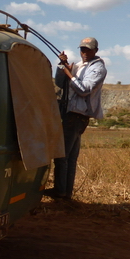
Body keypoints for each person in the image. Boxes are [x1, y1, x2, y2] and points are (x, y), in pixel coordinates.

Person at [45, 37, 107, 200]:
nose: (84, 53)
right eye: (82, 49)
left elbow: (84, 90)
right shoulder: (80, 66)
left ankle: (60, 192)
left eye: (88, 49)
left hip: (76, 115)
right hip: (73, 114)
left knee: (62, 155)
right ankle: (65, 193)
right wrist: (62, 67)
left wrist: (68, 73)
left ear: (95, 50)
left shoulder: (98, 68)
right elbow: (60, 83)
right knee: (70, 157)